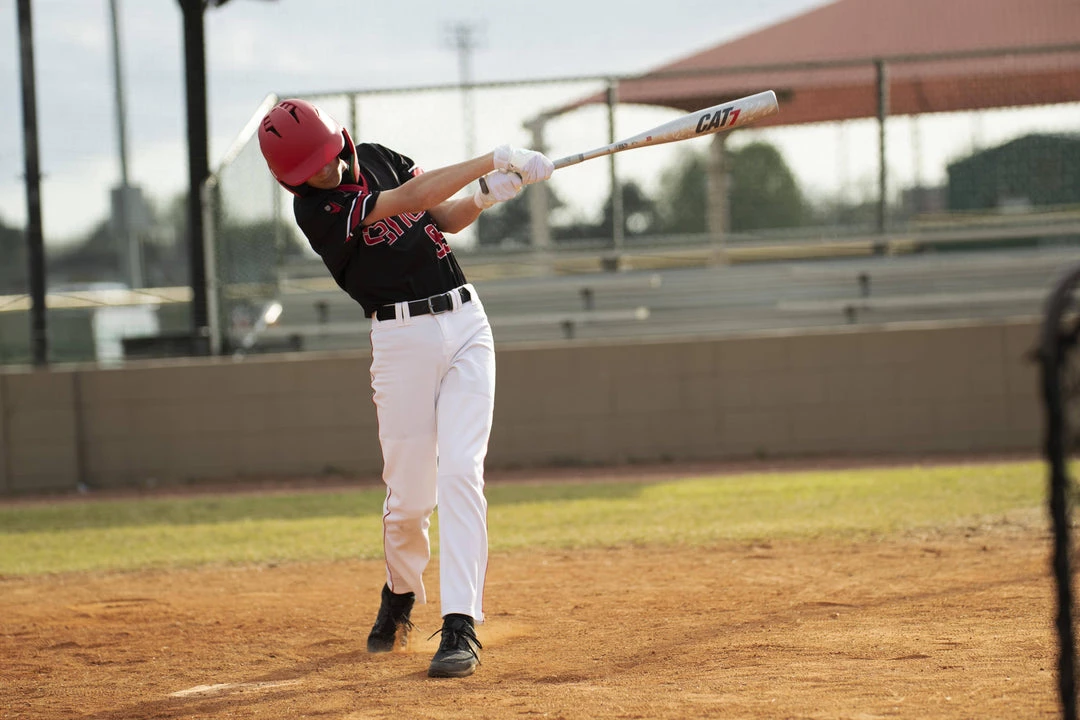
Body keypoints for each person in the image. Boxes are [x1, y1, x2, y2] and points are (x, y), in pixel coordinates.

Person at [257, 98, 553, 678]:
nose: (324, 172)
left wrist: (488, 195)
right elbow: (408, 202)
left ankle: (461, 624)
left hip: (467, 322)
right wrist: (492, 157)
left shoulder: (380, 158)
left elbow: (439, 216)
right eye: (307, 169)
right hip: (399, 342)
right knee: (410, 497)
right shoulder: (317, 210)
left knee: (462, 471)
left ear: (337, 138)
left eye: (325, 158)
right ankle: (400, 593)